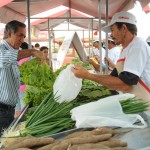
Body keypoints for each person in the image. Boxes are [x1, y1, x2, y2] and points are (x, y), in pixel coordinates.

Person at [71, 11, 150, 103]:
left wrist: (88, 75)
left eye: (112, 30)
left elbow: (126, 85)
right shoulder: (125, 49)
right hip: (134, 101)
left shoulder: (137, 46)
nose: (111, 35)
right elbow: (114, 77)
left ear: (124, 28)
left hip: (145, 105)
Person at [0, 20, 46, 134]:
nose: (22, 40)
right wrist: (33, 52)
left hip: (9, 110)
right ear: (10, 33)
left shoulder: (13, 52)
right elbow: (5, 59)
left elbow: (18, 78)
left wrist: (36, 75)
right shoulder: (2, 50)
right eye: (20, 35)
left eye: (24, 36)